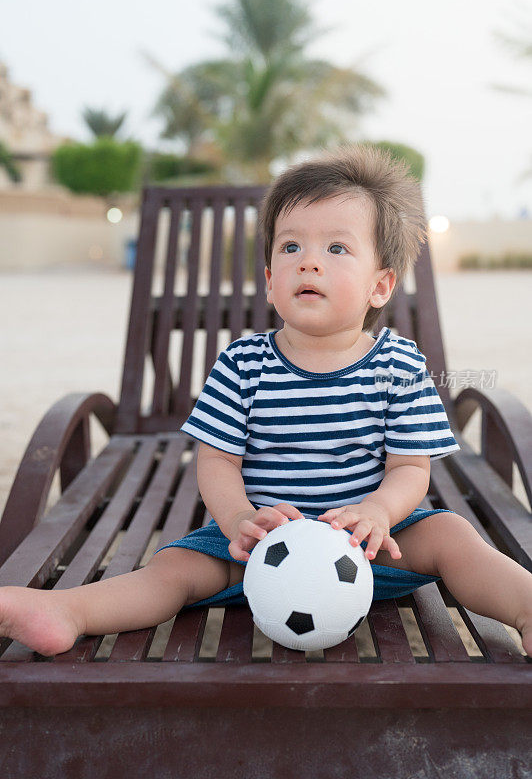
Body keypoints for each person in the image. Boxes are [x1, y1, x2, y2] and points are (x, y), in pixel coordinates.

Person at [1, 143, 531, 658]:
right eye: (290, 247)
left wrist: (378, 512)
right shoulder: (243, 363)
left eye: (337, 248)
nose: (309, 264)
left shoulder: (401, 365)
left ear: (381, 285)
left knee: (452, 536)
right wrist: (238, 522)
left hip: (369, 549)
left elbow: (411, 467)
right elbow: (217, 459)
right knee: (172, 574)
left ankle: (527, 609)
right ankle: (68, 612)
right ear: (270, 281)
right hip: (259, 549)